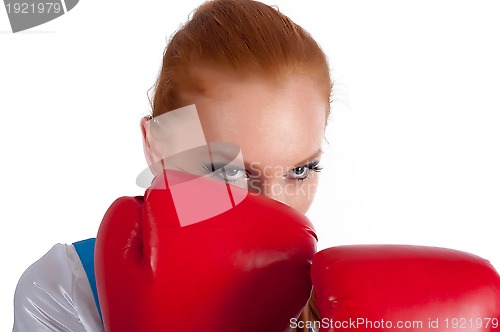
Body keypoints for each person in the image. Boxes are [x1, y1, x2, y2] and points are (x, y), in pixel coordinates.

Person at [12, 0, 332, 331]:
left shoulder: (341, 299)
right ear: (156, 147)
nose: (276, 207)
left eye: (300, 171)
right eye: (231, 171)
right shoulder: (67, 289)